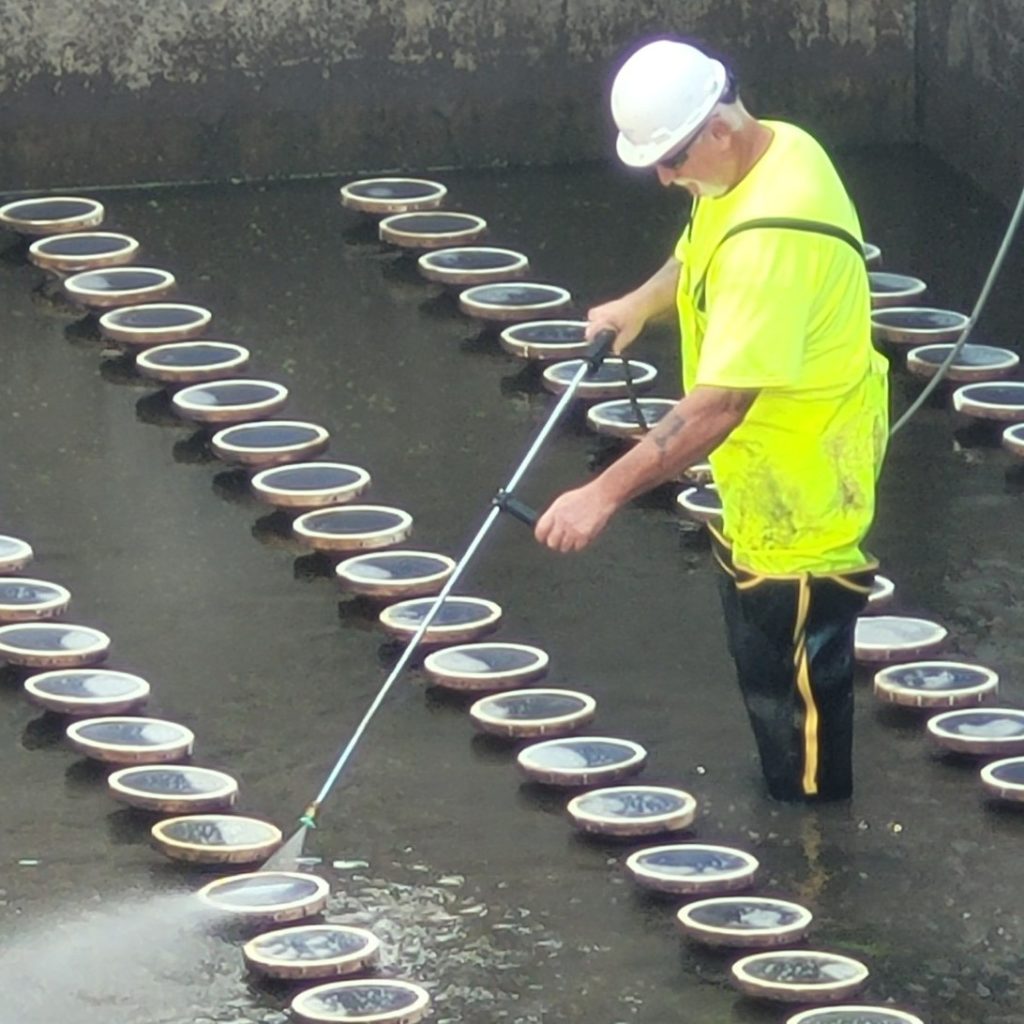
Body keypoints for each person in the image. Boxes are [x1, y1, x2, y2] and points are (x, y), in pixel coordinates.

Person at [534, 37, 889, 802]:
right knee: (762, 656)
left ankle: (818, 849)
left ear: (719, 129)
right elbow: (702, 248)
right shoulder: (767, 154)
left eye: (672, 160)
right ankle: (788, 792)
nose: (665, 178)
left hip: (804, 477)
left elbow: (719, 407)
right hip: (766, 471)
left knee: (798, 672)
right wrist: (638, 304)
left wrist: (601, 494)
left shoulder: (776, 235)